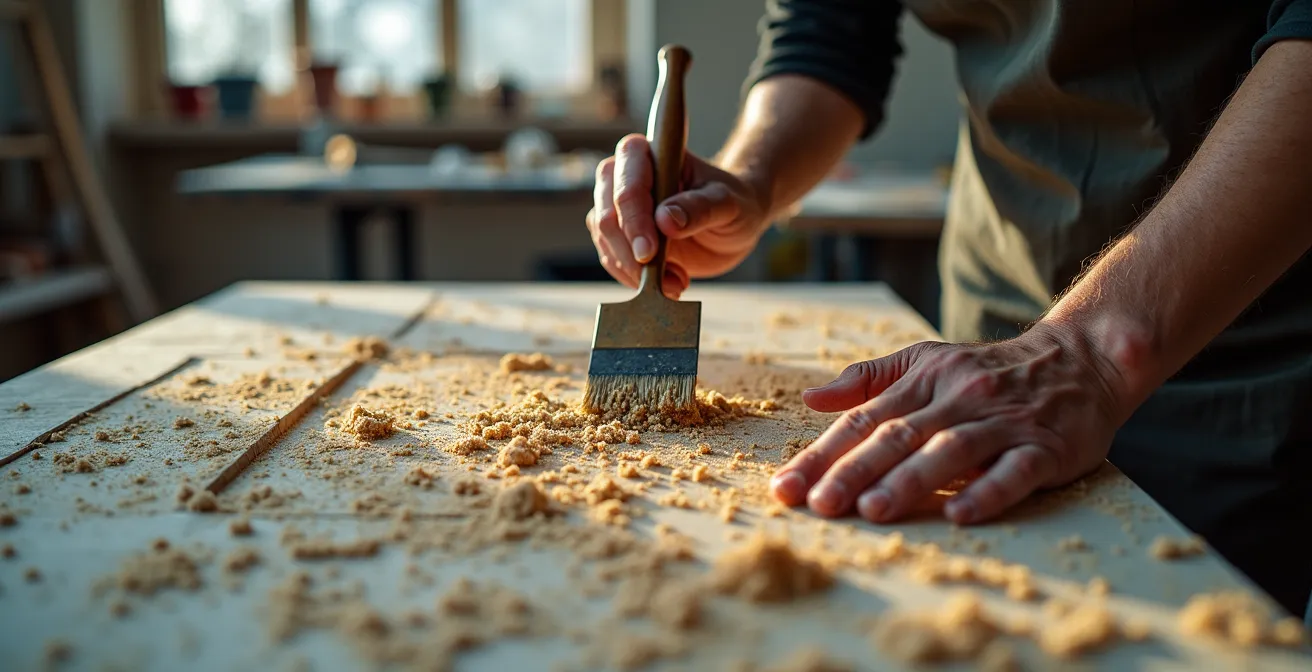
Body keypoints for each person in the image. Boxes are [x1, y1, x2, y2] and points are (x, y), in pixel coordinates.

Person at [584, 1, 1312, 620]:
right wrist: (750, 179)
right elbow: (828, 33)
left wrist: (1091, 352)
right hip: (986, 337)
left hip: (1235, 331)